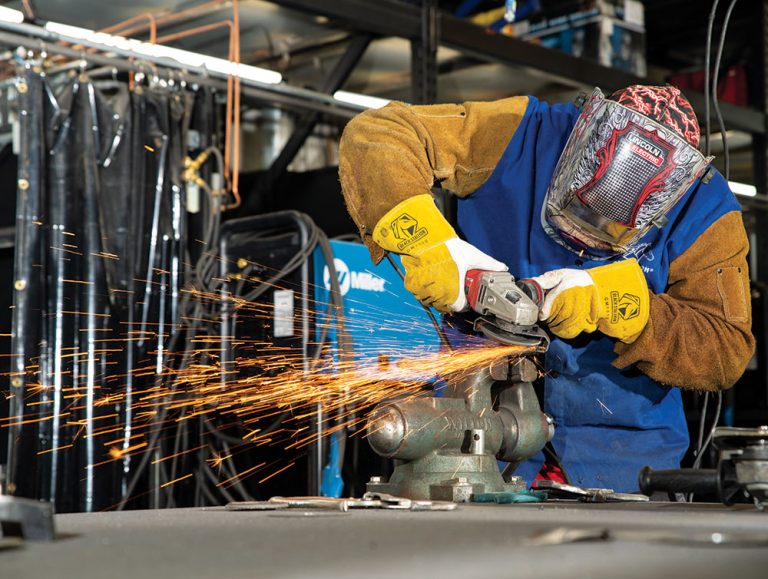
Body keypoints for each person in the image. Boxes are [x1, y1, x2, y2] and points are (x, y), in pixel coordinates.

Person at [338, 85, 755, 493]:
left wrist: (624, 309)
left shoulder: (706, 208)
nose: (585, 236)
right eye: (581, 205)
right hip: (470, 436)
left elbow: (725, 350)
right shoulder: (521, 132)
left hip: (625, 462)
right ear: (584, 134)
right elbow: (379, 133)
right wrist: (429, 241)